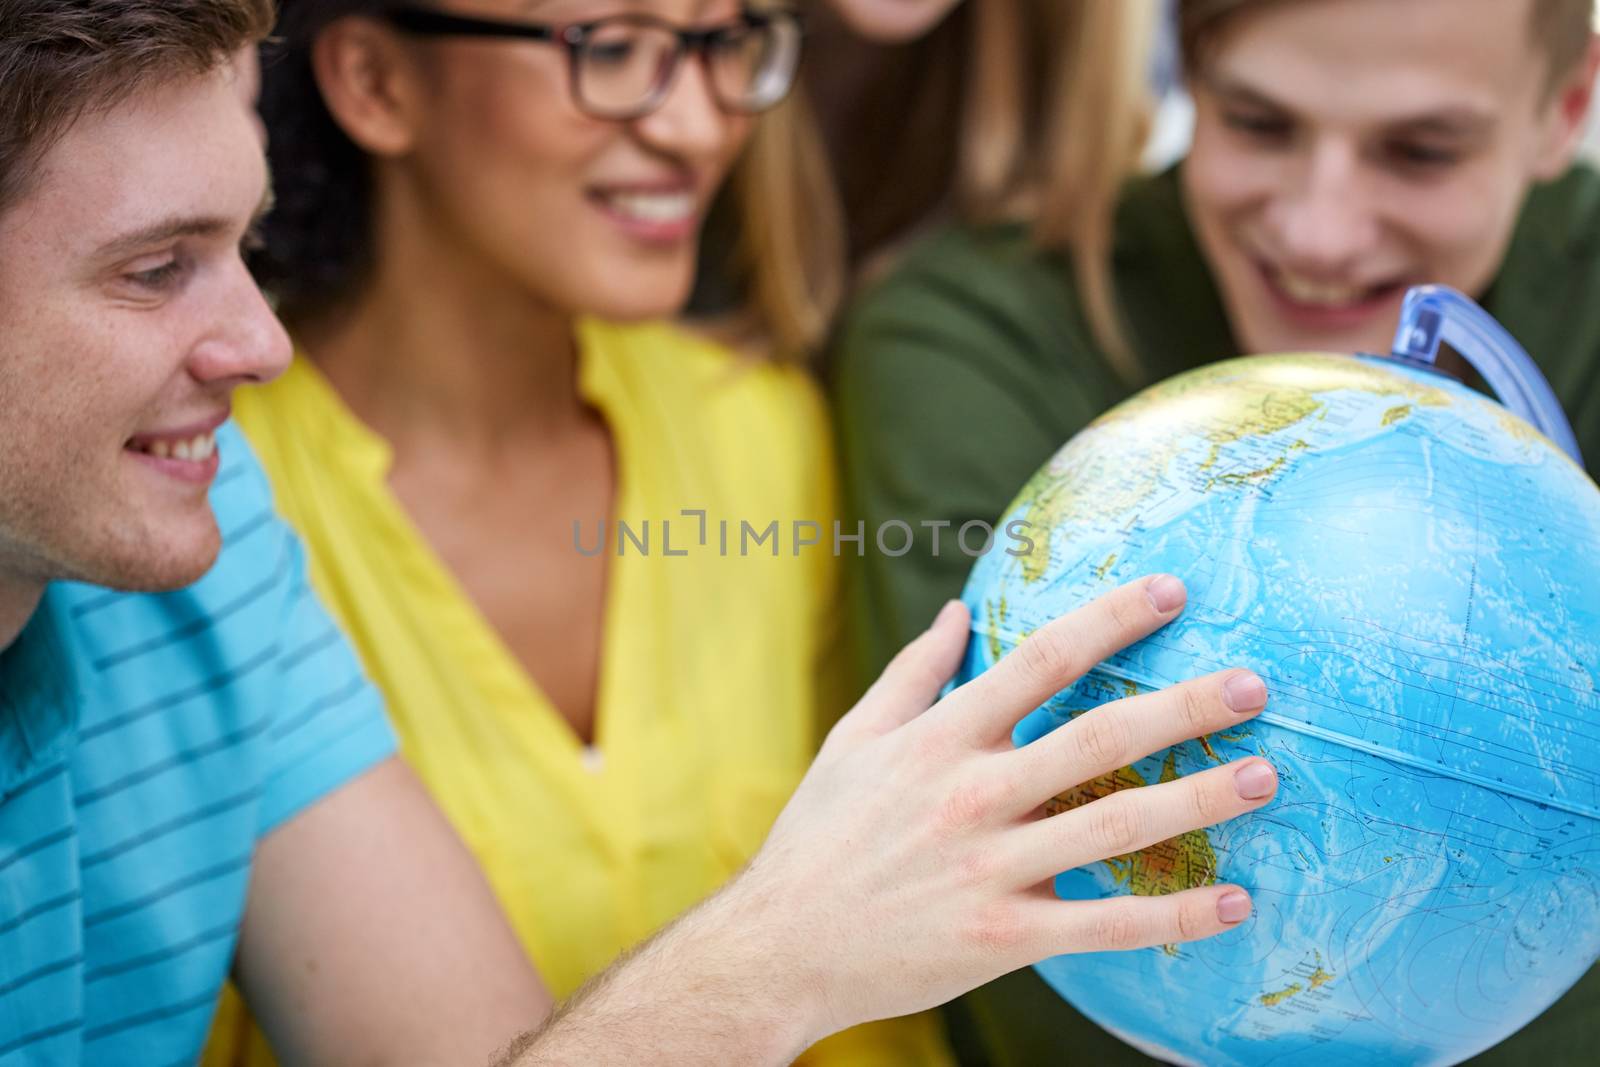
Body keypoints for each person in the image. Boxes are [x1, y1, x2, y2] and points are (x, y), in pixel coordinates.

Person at [1, 4, 1284, 1063]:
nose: (694, 120)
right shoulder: (205, 494)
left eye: (725, 43)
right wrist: (795, 939)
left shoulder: (766, 436)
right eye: (607, 46)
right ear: (376, 83)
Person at [832, 0, 1600, 1062]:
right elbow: (1002, 944)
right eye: (1255, 123)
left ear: (1566, 107)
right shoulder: (971, 337)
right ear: (1184, 76)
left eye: (1421, 151)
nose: (1319, 231)